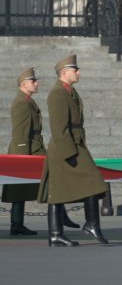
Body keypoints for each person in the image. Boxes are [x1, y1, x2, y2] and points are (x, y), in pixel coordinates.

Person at [38, 55, 108, 247]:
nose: (78, 72)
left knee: (58, 191)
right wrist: (69, 152)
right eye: (75, 70)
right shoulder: (57, 93)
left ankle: (56, 234)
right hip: (65, 147)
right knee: (93, 181)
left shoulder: (70, 92)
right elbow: (58, 127)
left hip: (74, 143)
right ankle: (90, 224)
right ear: (64, 73)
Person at [3, 68, 80, 236]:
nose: (37, 83)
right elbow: (20, 133)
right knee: (49, 181)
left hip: (33, 147)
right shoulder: (21, 102)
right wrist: (23, 158)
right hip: (27, 150)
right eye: (33, 81)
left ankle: (18, 224)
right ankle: (59, 216)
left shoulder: (26, 100)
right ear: (23, 84)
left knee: (23, 189)